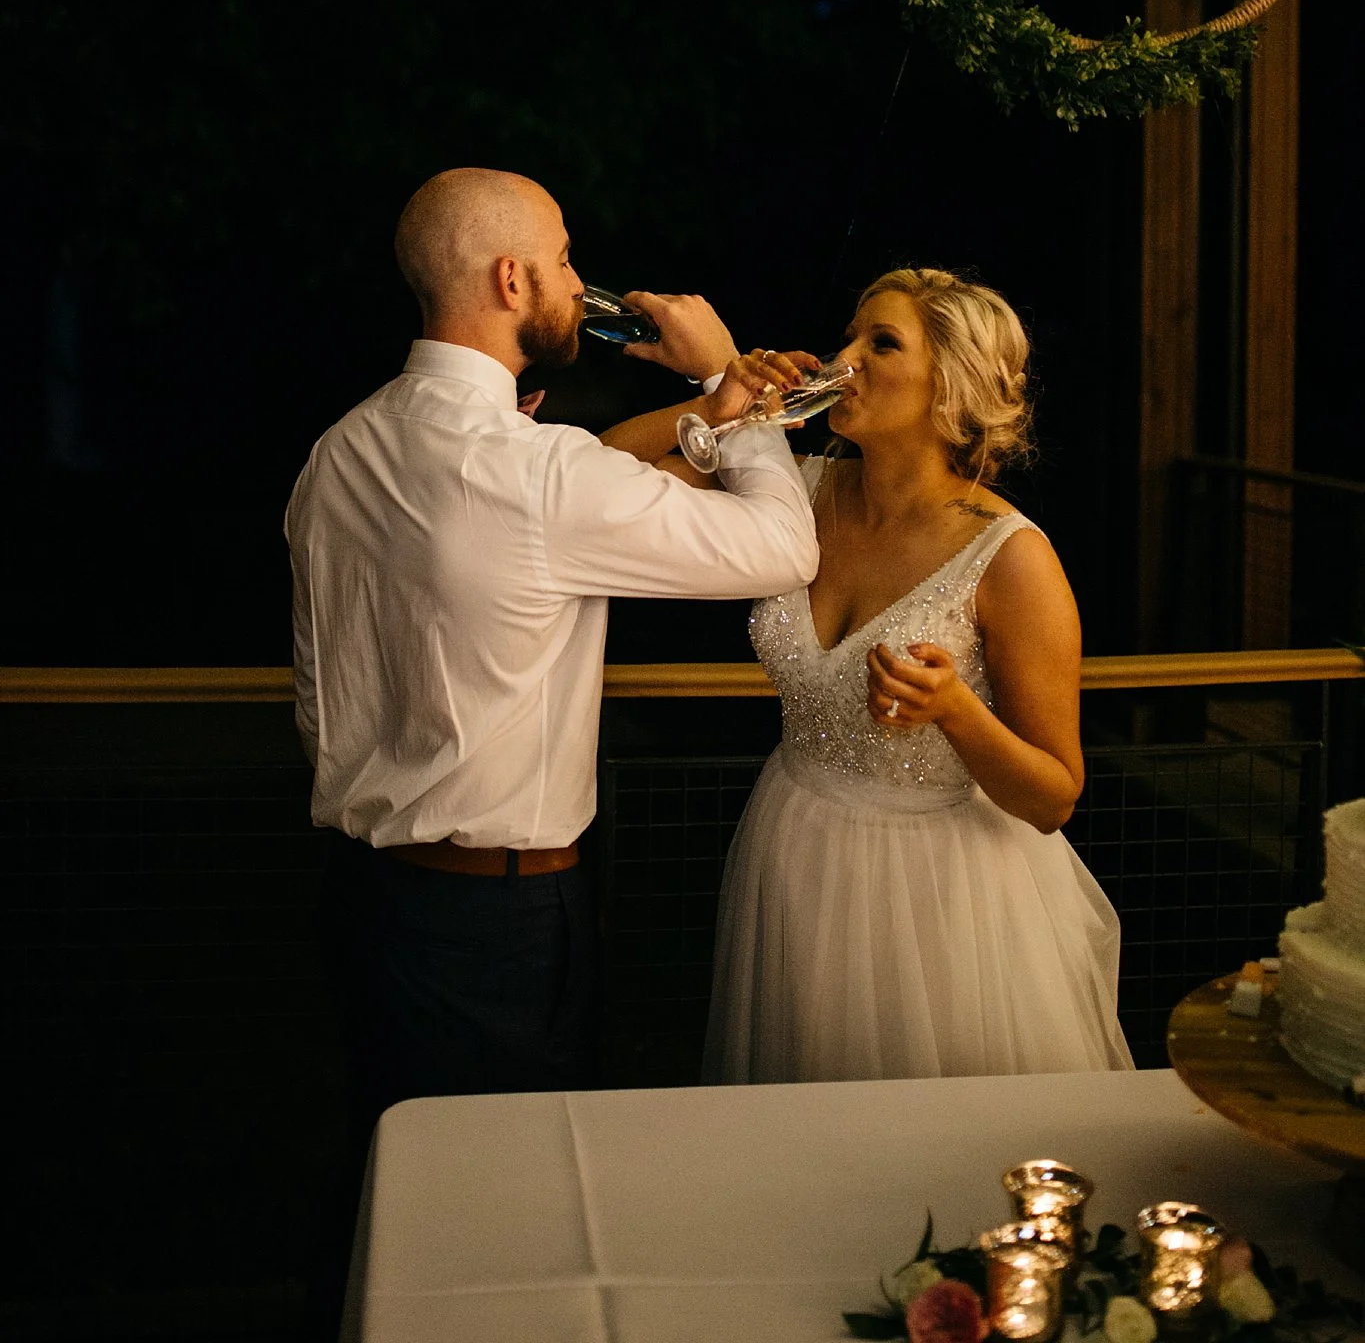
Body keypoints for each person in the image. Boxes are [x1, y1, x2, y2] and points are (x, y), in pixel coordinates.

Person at [286, 166, 818, 1136]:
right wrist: (717, 371)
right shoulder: (532, 471)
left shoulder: (340, 450)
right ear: (510, 279)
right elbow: (784, 548)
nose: (580, 285)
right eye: (565, 260)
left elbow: (577, 480)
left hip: (363, 896)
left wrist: (719, 412)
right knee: (506, 1187)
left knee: (392, 1171)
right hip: (494, 922)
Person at [695, 266, 1134, 1083]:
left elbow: (1053, 797)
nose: (843, 360)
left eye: (882, 344)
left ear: (950, 385)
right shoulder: (794, 489)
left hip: (941, 892)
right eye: (849, 337)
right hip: (793, 842)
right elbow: (600, 484)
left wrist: (956, 710)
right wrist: (726, 405)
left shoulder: (1011, 559)